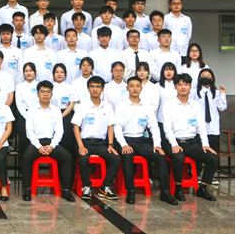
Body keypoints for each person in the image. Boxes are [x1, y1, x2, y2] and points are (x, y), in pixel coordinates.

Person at [114, 76, 177, 205]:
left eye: (137, 86)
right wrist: (124, 145)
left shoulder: (146, 107)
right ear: (127, 88)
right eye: (132, 86)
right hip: (125, 140)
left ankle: (165, 192)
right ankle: (130, 190)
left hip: (141, 141)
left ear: (141, 88)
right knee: (128, 155)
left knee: (160, 155)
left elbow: (154, 127)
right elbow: (117, 128)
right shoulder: (121, 107)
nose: (135, 88)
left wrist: (157, 145)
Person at [162, 74, 218, 201]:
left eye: (186, 84)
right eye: (180, 84)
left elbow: (201, 126)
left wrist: (205, 144)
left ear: (190, 87)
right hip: (173, 142)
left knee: (213, 158)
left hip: (192, 143)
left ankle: (202, 188)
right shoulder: (169, 105)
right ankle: (178, 188)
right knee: (179, 157)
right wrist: (174, 144)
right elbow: (167, 127)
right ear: (175, 87)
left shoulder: (195, 105)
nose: (183, 87)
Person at [21, 80, 75, 202]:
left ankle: (66, 189)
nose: (45, 94)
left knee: (67, 157)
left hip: (51, 142)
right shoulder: (32, 110)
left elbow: (59, 131)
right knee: (26, 157)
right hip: (36, 143)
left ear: (52, 94)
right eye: (42, 92)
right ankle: (27, 188)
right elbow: (29, 132)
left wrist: (52, 146)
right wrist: (39, 147)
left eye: (48, 92)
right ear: (37, 94)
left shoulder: (56, 111)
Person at [72, 76, 120, 200]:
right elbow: (75, 127)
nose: (95, 89)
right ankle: (86, 187)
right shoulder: (82, 106)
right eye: (92, 86)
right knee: (83, 158)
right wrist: (81, 146)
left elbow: (110, 126)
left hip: (101, 144)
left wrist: (110, 145)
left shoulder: (107, 107)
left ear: (102, 89)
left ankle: (105, 186)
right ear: (88, 89)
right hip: (85, 142)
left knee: (116, 158)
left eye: (98, 87)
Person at [191, 68, 227, 184]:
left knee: (212, 152)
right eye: (203, 75)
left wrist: (223, 94)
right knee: (198, 152)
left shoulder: (216, 93)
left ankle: (209, 176)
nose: (205, 77)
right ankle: (197, 174)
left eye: (208, 76)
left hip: (213, 127)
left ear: (212, 78)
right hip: (198, 128)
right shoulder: (194, 92)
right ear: (199, 78)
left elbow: (222, 107)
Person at [50, 63, 78, 158]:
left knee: (67, 139)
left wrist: (61, 116)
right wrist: (56, 116)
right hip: (51, 115)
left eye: (62, 72)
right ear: (53, 74)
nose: (59, 74)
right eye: (57, 72)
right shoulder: (50, 87)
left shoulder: (70, 87)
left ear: (65, 74)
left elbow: (71, 104)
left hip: (66, 114)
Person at [15, 62, 39, 156]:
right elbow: (19, 103)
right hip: (23, 115)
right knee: (23, 140)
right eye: (26, 71)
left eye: (31, 71)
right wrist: (26, 115)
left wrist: (34, 115)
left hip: (37, 115)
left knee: (36, 140)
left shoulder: (39, 85)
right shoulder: (19, 86)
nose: (28, 73)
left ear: (35, 72)